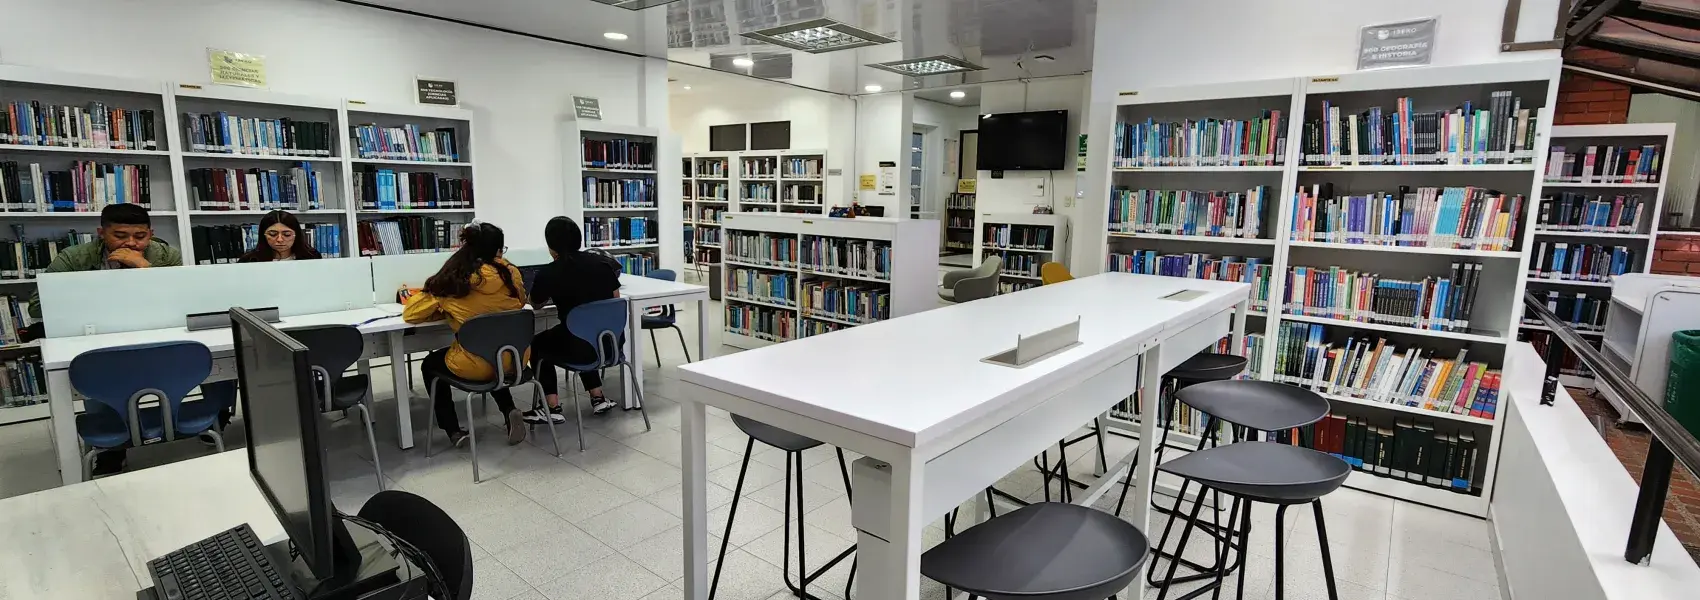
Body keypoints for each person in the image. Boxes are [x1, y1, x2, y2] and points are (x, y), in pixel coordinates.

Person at [24, 204, 224, 477]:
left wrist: (145, 270)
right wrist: (103, 285)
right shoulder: (74, 258)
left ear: (150, 233)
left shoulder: (165, 254)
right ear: (101, 233)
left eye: (140, 236)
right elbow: (36, 307)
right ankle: (111, 450)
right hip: (98, 336)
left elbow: (186, 299)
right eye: (120, 235)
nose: (131, 243)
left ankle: (186, 423)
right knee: (101, 376)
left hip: (157, 333)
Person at [402, 222, 531, 446]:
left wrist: (442, 307)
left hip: (477, 366)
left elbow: (411, 314)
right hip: (516, 359)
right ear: (498, 251)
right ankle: (509, 410)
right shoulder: (511, 274)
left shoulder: (454, 281)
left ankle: (453, 431)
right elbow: (520, 301)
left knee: (431, 365)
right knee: (492, 353)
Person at [526, 216, 622, 423]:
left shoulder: (549, 272)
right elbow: (615, 300)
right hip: (610, 343)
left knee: (538, 343)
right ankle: (598, 397)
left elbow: (536, 304)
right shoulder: (603, 263)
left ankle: (551, 407)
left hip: (578, 347)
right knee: (585, 331)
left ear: (551, 246)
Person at [239, 210, 322, 262]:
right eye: (272, 234)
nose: (280, 239)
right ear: (263, 235)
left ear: (296, 235)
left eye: (287, 234)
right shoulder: (249, 260)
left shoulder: (312, 257)